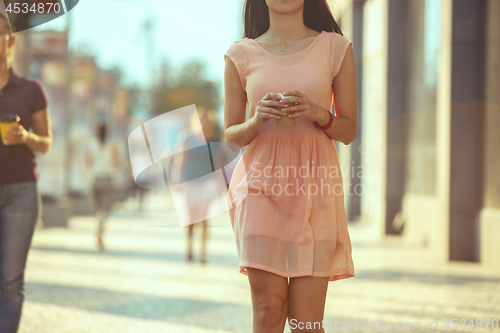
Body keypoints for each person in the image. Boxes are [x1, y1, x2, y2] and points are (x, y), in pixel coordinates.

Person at [223, 1, 357, 332]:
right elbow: (231, 135)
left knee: (306, 324)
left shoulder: (335, 48)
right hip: (259, 188)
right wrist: (256, 120)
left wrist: (318, 114)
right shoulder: (241, 55)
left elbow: (349, 131)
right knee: (268, 311)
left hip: (316, 189)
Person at [0, 11, 52, 333]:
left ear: (11, 40)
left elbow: (46, 143)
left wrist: (26, 137)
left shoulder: (31, 89)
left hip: (21, 193)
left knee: (10, 281)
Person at [171, 110, 218, 264]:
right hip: (190, 181)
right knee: (191, 218)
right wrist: (176, 180)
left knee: (204, 218)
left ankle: (203, 253)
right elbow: (180, 159)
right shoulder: (187, 138)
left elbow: (217, 164)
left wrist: (220, 184)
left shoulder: (214, 140)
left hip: (208, 182)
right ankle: (189, 247)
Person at [86, 123, 119, 251]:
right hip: (108, 180)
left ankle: (97, 228)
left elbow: (88, 163)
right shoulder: (113, 145)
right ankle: (100, 231)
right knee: (105, 210)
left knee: (96, 209)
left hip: (95, 179)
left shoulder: (91, 144)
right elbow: (117, 163)